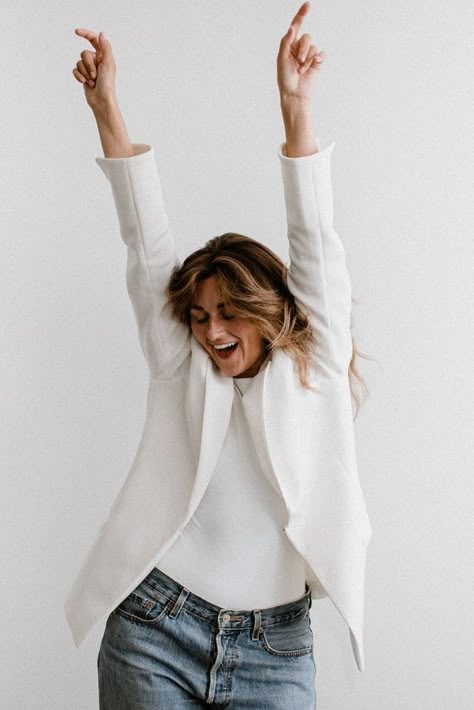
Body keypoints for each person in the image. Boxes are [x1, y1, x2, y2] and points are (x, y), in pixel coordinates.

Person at [67, 2, 373, 708]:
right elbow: (144, 242)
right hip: (154, 627)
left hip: (276, 648)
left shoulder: (314, 369)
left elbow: (314, 240)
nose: (211, 330)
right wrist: (106, 109)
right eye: (200, 316)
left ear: (267, 310)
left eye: (229, 312)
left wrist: (295, 110)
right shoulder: (183, 367)